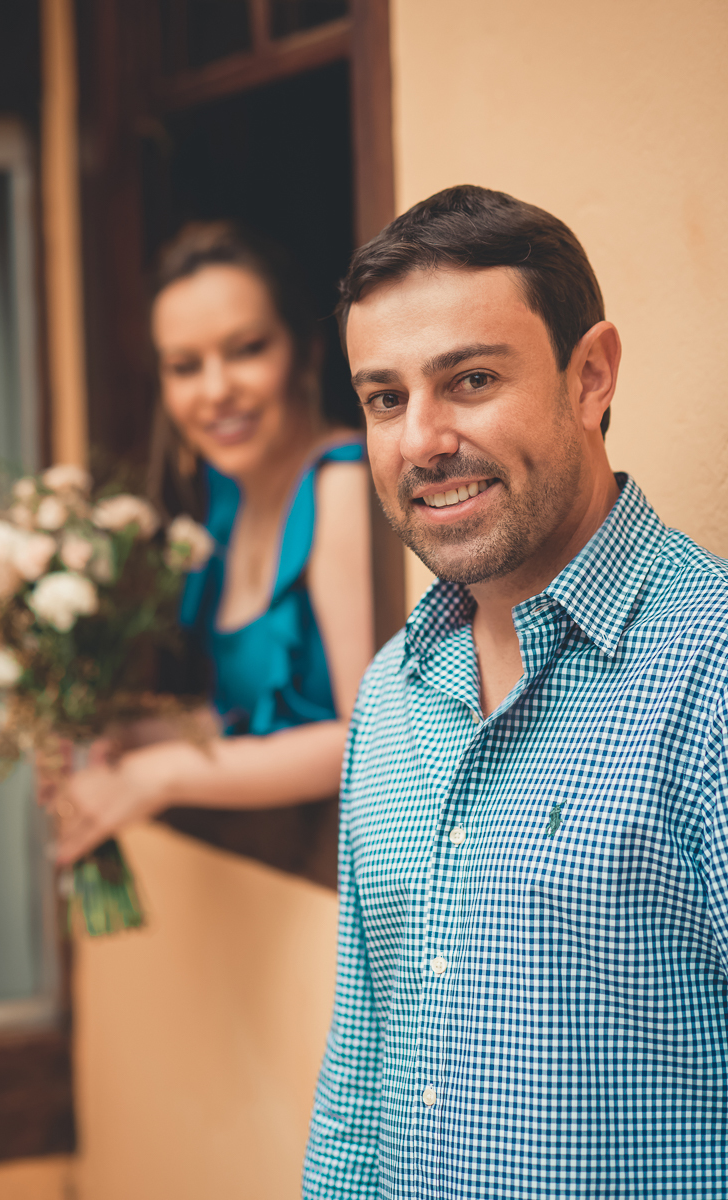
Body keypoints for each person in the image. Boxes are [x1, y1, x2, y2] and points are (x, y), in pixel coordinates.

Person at [303, 184, 728, 1197]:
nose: (422, 441)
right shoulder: (393, 697)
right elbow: (362, 1079)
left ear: (591, 377)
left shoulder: (712, 677)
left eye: (472, 379)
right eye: (386, 399)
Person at [52, 222, 373, 867]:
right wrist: (121, 742)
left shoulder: (343, 485)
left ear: (306, 352)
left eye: (246, 349)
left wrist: (159, 777)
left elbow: (366, 739)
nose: (216, 388)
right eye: (184, 366)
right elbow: (248, 720)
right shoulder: (227, 506)